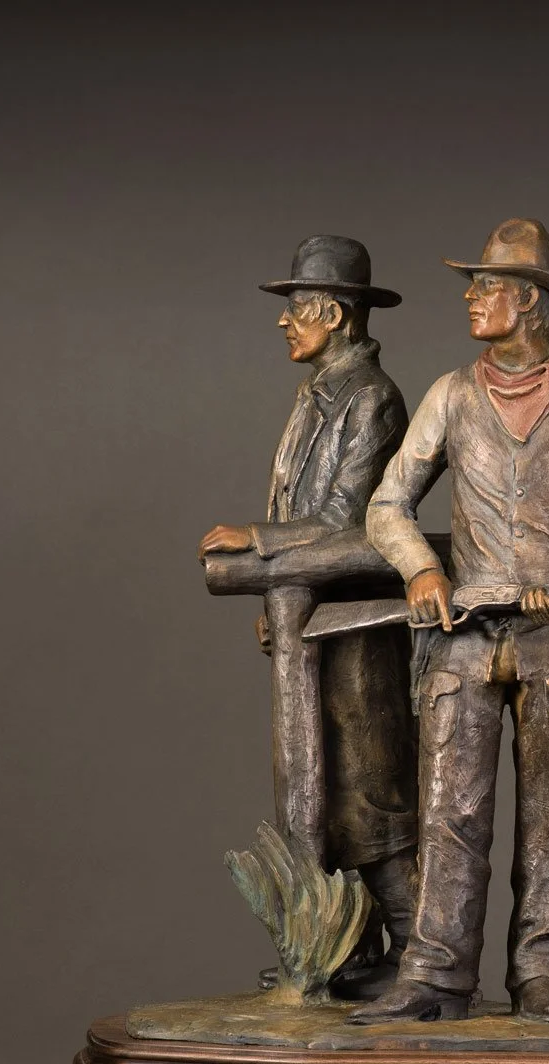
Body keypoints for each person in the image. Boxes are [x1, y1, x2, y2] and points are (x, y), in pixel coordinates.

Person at [349, 219, 549, 1023]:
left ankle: (541, 974)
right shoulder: (450, 394)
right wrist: (423, 569)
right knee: (450, 810)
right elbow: (388, 504)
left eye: (488, 285)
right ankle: (436, 974)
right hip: (462, 639)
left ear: (530, 300)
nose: (472, 298)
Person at [197, 235, 418, 989]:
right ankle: (349, 955)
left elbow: (349, 520)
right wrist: (278, 594)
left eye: (298, 307)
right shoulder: (317, 393)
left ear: (337, 314)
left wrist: (260, 544)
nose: (284, 321)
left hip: (358, 626)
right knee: (322, 786)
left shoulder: (372, 397)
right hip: (312, 620)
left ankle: (418, 956)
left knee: (369, 787)